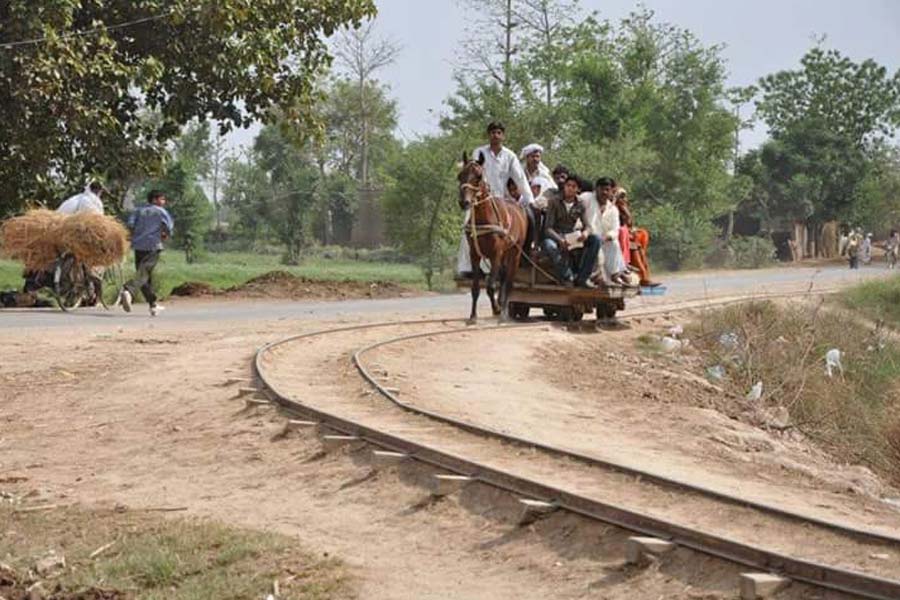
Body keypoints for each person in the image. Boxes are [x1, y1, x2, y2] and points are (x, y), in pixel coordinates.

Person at [457, 122, 535, 277]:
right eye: (493, 132)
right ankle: (470, 267)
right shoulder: (479, 152)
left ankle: (523, 254)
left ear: (503, 136)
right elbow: (472, 172)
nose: (496, 135)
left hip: (501, 199)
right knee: (467, 226)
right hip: (480, 198)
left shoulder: (510, 156)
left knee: (527, 219)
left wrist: (529, 199)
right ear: (489, 135)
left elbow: (519, 178)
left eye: (499, 132)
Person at [119, 189, 174, 316]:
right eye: (162, 199)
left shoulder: (138, 211)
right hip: (153, 246)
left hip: (138, 246)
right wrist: (165, 234)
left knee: (144, 275)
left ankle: (153, 305)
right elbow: (169, 227)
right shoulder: (161, 212)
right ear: (154, 200)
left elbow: (130, 225)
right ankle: (129, 289)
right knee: (143, 274)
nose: (163, 202)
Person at [542, 174, 599, 288]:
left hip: (571, 236)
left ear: (578, 189)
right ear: (564, 187)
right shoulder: (554, 201)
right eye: (568, 185)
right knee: (550, 246)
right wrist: (560, 240)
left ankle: (582, 278)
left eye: (573, 186)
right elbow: (548, 228)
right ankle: (568, 276)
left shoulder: (580, 203)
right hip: (555, 235)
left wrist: (585, 233)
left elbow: (588, 226)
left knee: (595, 240)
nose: (570, 188)